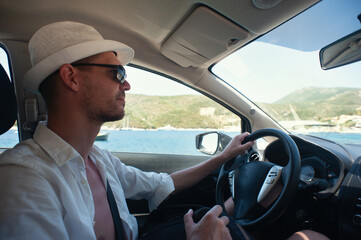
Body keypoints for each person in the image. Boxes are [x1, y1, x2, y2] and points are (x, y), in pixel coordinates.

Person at [0, 21, 254, 240]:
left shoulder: (99, 159)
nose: (128, 84)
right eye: (118, 73)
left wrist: (222, 157)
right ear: (71, 77)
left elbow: (160, 184)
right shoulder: (22, 177)